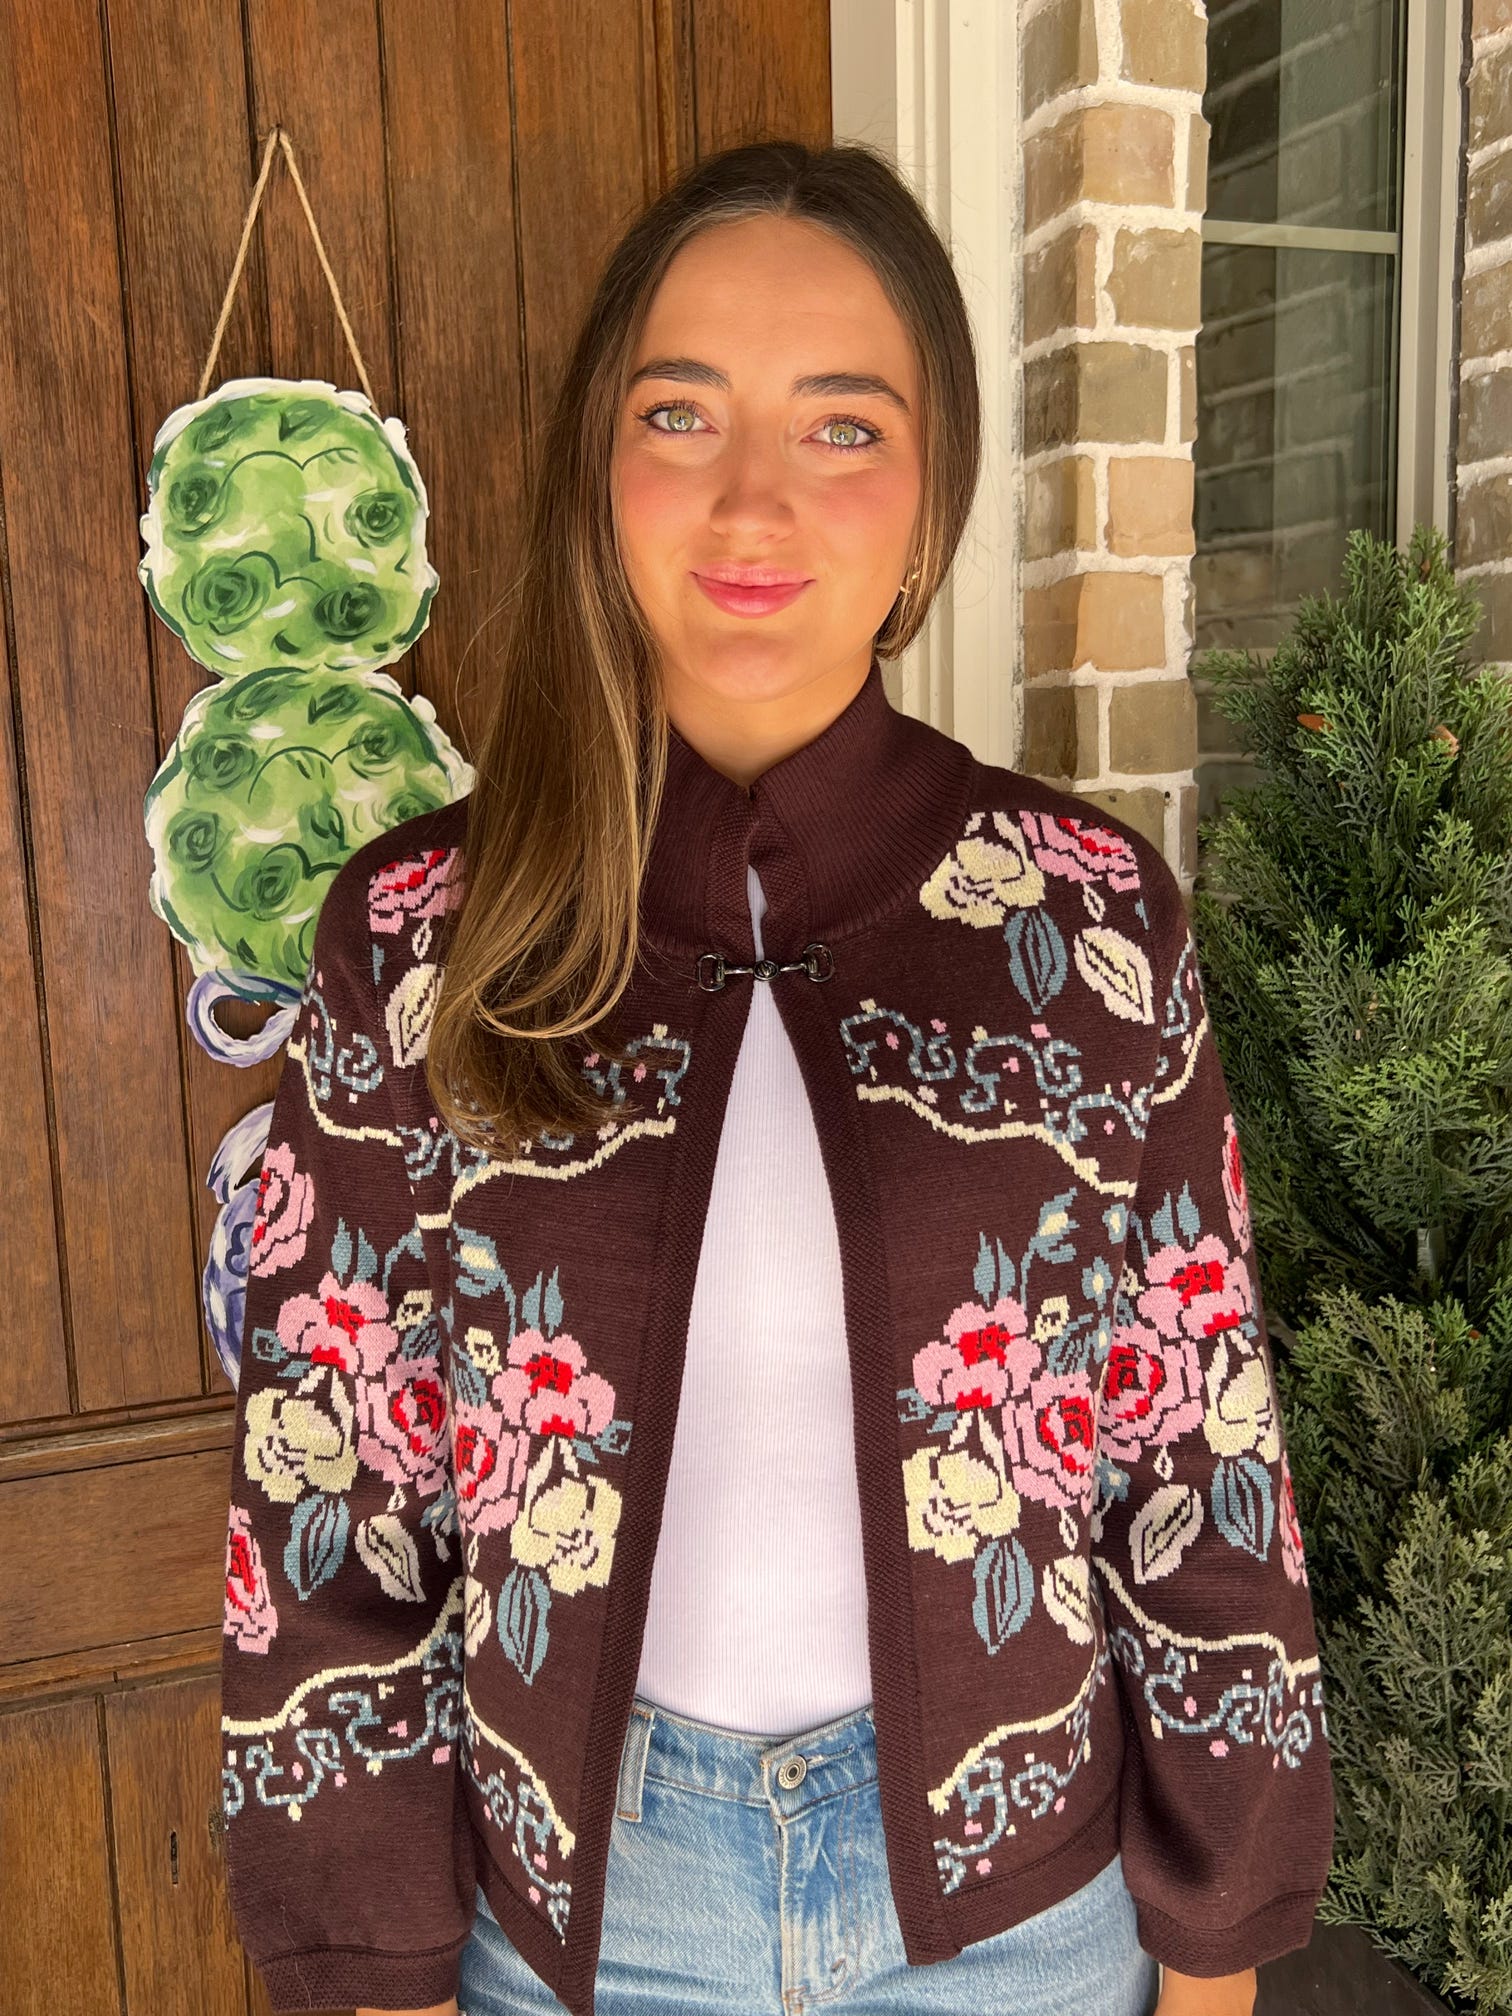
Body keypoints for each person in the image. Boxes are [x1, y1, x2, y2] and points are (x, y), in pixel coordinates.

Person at [221, 140, 1334, 2016]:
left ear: (932, 496)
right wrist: (373, 1962)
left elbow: (1198, 1446)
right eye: (682, 412)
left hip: (1020, 1930)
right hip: (578, 1930)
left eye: (843, 428)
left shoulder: (1083, 923)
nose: (753, 501)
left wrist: (1216, 1946)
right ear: (602, 461)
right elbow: (328, 1497)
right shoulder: (417, 937)